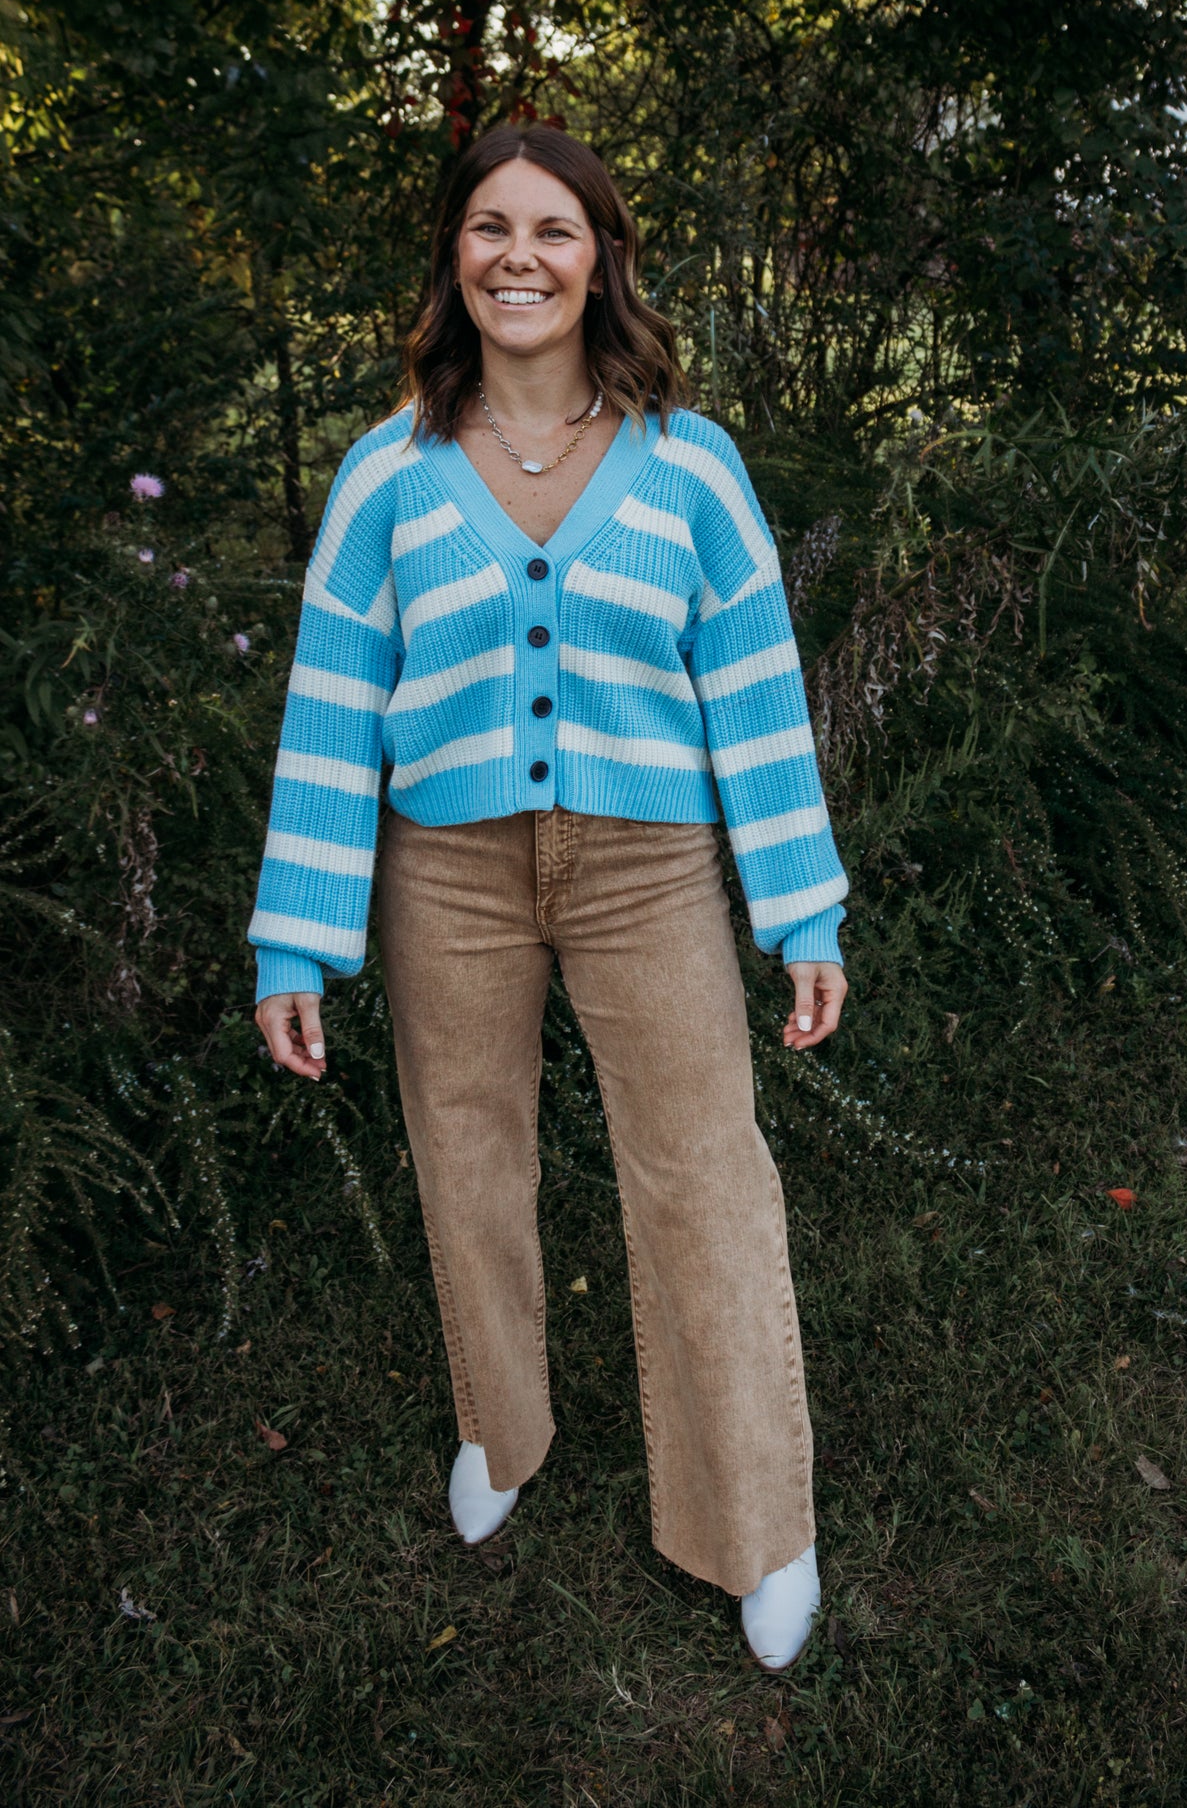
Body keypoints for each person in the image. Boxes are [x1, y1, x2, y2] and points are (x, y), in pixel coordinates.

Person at [249, 126, 849, 1670]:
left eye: (554, 230)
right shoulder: (384, 476)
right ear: (456, 258)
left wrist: (801, 907)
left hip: (646, 867)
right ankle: (499, 1430)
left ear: (602, 259)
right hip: (443, 872)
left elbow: (758, 693)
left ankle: (755, 1524)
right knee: (465, 1155)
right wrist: (297, 936)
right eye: (489, 228)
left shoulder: (689, 464)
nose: (520, 256)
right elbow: (330, 705)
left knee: (706, 1172)